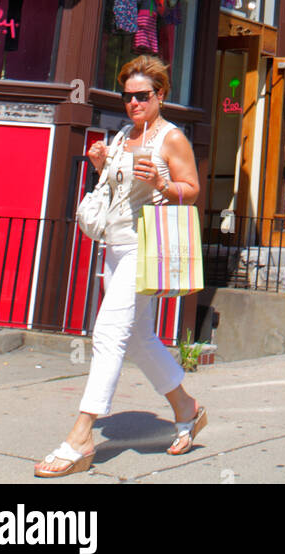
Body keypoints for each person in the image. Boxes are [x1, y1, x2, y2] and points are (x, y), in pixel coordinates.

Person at [34, 55, 206, 476]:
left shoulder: (170, 138)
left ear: (160, 95)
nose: (133, 103)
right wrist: (100, 166)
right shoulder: (124, 134)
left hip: (145, 247)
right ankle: (187, 407)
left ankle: (81, 436)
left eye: (142, 96)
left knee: (109, 332)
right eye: (127, 96)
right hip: (115, 247)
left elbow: (193, 189)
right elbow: (115, 191)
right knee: (138, 338)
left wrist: (164, 184)